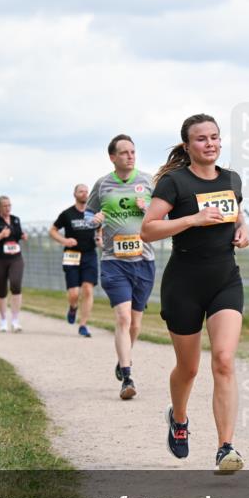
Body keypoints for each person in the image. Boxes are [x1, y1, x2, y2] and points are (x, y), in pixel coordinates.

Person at [140, 114, 249, 472]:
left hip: (224, 279)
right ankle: (180, 418)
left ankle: (226, 448)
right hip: (184, 283)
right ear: (187, 146)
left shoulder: (231, 179)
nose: (211, 144)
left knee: (223, 360)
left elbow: (237, 214)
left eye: (215, 137)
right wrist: (192, 220)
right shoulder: (175, 183)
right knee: (188, 369)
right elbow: (149, 230)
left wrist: (243, 231)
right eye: (201, 139)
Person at [89, 134, 156, 400]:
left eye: (133, 151)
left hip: (144, 260)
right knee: (123, 318)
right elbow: (88, 213)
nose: (130, 156)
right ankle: (127, 376)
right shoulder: (103, 184)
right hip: (113, 261)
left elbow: (164, 213)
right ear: (113, 157)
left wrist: (148, 208)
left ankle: (122, 358)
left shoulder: (148, 181)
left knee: (136, 324)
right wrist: (93, 219)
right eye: (124, 152)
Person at [50, 184, 102, 337]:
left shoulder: (93, 213)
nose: (85, 194)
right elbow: (52, 230)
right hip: (71, 254)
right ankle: (73, 307)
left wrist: (99, 237)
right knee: (74, 293)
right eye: (81, 191)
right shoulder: (67, 214)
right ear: (75, 194)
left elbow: (100, 227)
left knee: (87, 289)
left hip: (89, 254)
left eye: (86, 191)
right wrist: (64, 241)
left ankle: (83, 325)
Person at [0, 195, 27, 332]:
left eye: (9, 205)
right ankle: (3, 320)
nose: (8, 208)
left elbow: (18, 234)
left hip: (15, 258)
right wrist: (0, 236)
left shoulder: (15, 219)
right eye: (5, 206)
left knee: (15, 284)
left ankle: (15, 320)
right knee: (2, 291)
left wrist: (23, 236)